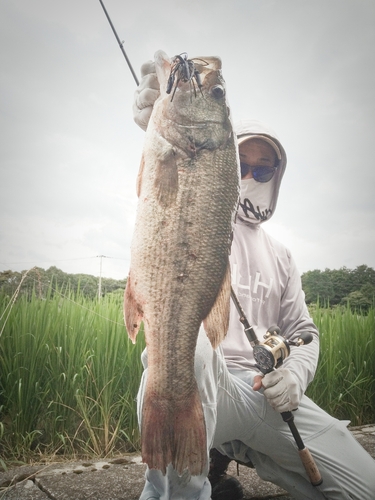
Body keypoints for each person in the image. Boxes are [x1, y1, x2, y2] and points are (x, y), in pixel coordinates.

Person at [131, 59, 375, 500]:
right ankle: (182, 488)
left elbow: (304, 332)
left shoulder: (281, 256)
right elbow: (164, 195)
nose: (250, 176)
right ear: (225, 155)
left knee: (366, 487)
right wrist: (155, 122)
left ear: (276, 178)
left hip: (266, 397)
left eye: (264, 170)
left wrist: (295, 376)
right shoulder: (198, 202)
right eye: (242, 162)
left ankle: (230, 462)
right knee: (192, 350)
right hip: (208, 388)